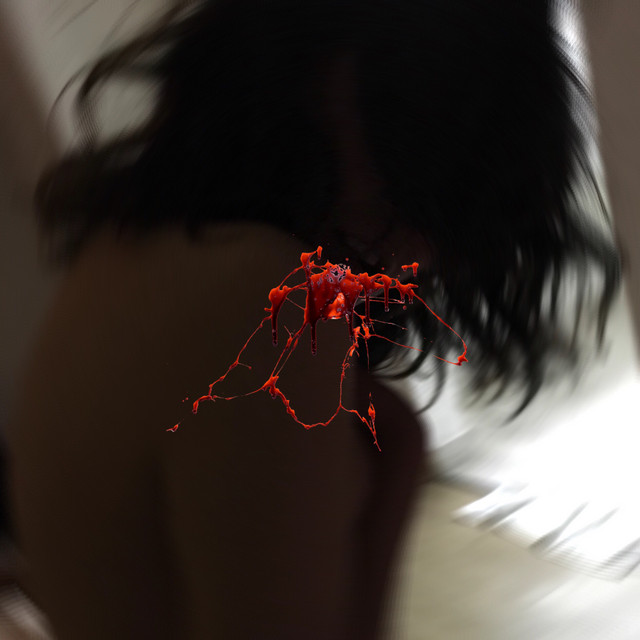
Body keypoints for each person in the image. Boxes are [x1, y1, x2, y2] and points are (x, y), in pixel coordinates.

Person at [7, 1, 620, 638]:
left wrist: (396, 461)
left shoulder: (128, 249)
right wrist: (395, 476)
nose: (417, 255)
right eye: (434, 163)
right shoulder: (261, 301)